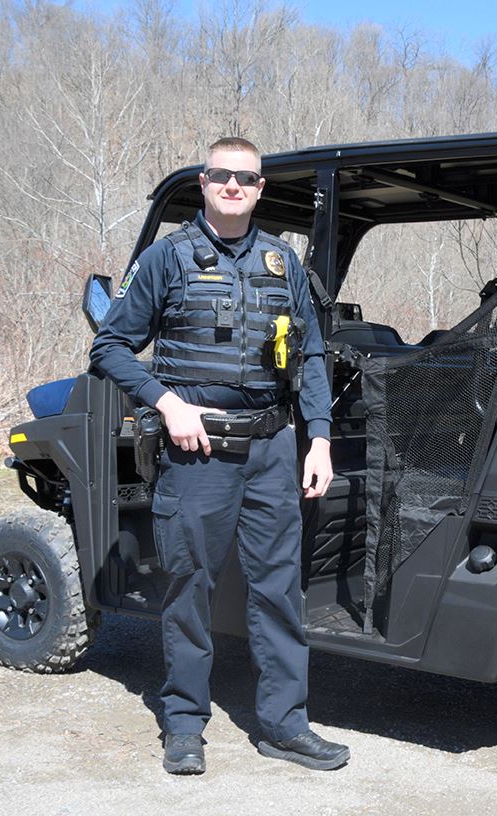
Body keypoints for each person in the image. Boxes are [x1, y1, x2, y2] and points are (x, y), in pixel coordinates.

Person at [90, 136, 349, 774]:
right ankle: (184, 725)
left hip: (272, 450)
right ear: (204, 183)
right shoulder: (166, 259)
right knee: (189, 587)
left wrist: (318, 436)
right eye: (221, 175)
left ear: (262, 189)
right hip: (198, 451)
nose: (234, 186)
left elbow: (312, 354)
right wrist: (166, 403)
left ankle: (285, 727)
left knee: (279, 590)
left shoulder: (282, 263)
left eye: (247, 178)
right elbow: (111, 347)